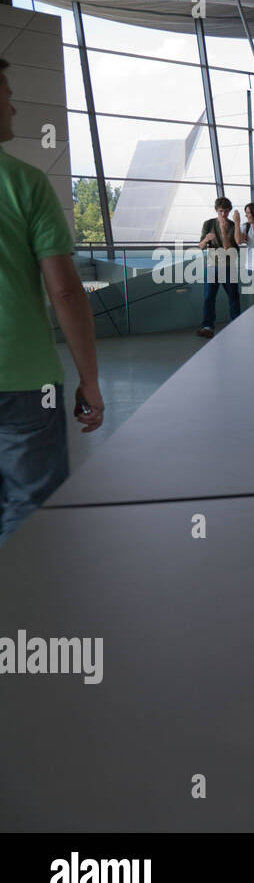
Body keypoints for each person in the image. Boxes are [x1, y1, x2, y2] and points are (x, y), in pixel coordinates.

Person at [0, 58, 103, 547]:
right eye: (5, 96)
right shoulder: (25, 183)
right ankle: (21, 617)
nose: (14, 108)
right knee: (29, 513)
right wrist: (89, 379)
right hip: (23, 378)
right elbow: (64, 290)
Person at [196, 196, 240, 338]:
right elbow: (201, 247)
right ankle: (207, 327)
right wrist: (207, 239)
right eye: (221, 211)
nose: (223, 214)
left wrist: (222, 231)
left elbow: (228, 249)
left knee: (233, 297)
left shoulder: (232, 226)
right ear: (216, 210)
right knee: (208, 297)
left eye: (226, 211)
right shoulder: (208, 224)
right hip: (211, 266)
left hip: (228, 266)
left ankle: (237, 323)